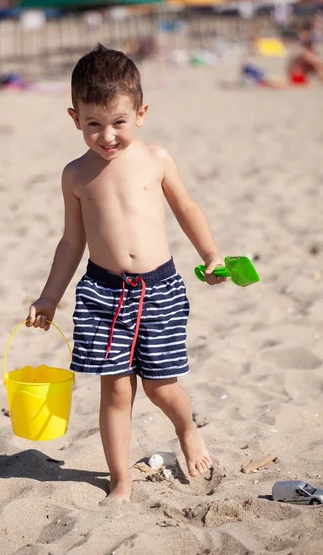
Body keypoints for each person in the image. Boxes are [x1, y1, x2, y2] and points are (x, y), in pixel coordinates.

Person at [26, 44, 226, 502]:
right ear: (75, 118)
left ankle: (187, 430)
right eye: (93, 125)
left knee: (160, 387)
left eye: (118, 122)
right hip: (102, 294)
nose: (107, 136)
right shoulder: (75, 174)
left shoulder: (156, 158)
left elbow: (187, 209)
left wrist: (211, 255)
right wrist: (49, 296)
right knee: (115, 392)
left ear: (141, 112)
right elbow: (71, 242)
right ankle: (120, 479)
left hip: (159, 288)